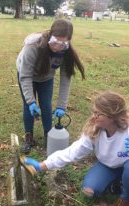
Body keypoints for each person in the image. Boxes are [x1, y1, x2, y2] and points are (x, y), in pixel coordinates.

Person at [24, 91, 129, 206]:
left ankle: (126, 205)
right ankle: (119, 181)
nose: (94, 117)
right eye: (94, 112)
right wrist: (43, 165)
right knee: (90, 190)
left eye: (99, 114)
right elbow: (74, 151)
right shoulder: (96, 129)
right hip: (110, 166)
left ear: (113, 116)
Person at [16, 19, 85, 153]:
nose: (57, 47)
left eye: (63, 43)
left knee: (46, 105)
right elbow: (25, 76)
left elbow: (65, 78)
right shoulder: (33, 46)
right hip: (26, 74)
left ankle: (49, 134)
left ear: (68, 41)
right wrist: (31, 102)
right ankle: (28, 136)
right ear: (50, 35)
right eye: (54, 42)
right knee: (28, 105)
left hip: (46, 77)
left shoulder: (66, 52)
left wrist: (61, 106)